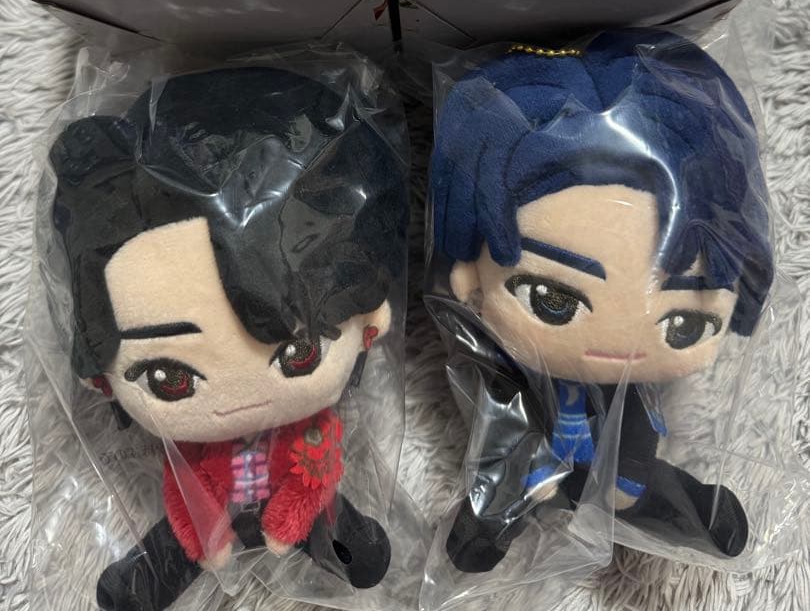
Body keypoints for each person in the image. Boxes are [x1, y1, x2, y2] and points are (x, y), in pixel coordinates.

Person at [48, 65, 407, 609]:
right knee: (180, 535)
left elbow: (315, 476)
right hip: (209, 503)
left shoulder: (311, 433)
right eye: (168, 377)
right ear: (100, 375)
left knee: (339, 525)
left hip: (288, 499)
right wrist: (206, 538)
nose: (240, 399)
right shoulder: (192, 453)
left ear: (371, 322)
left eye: (298, 353)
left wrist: (287, 523)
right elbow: (183, 493)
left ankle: (342, 545)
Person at [428, 30, 773, 570]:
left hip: (619, 461)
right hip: (535, 446)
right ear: (468, 273)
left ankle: (658, 501)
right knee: (519, 458)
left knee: (630, 479)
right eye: (552, 299)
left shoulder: (635, 396)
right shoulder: (510, 376)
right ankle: (513, 504)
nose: (619, 343)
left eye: (682, 322)